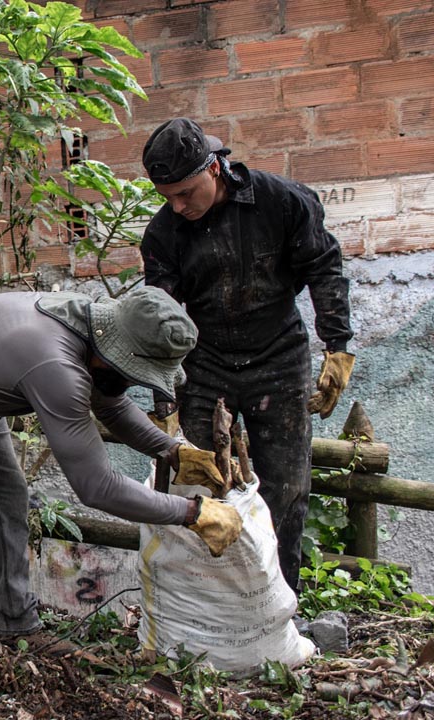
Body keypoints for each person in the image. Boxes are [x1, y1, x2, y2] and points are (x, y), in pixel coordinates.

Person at [0, 286, 241, 720]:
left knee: (9, 499)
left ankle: (16, 625)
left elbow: (113, 407)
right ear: (116, 349)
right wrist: (192, 514)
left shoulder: (91, 332)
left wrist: (172, 451)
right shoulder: (55, 363)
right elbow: (96, 485)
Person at [139, 117, 355, 592]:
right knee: (195, 481)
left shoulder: (282, 202)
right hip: (206, 362)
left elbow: (324, 268)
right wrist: (164, 402)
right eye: (167, 196)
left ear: (215, 168)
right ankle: (210, 602)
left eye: (185, 192)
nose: (177, 205)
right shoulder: (163, 235)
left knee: (287, 489)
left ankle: (282, 603)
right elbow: (161, 319)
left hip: (279, 357)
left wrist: (337, 348)